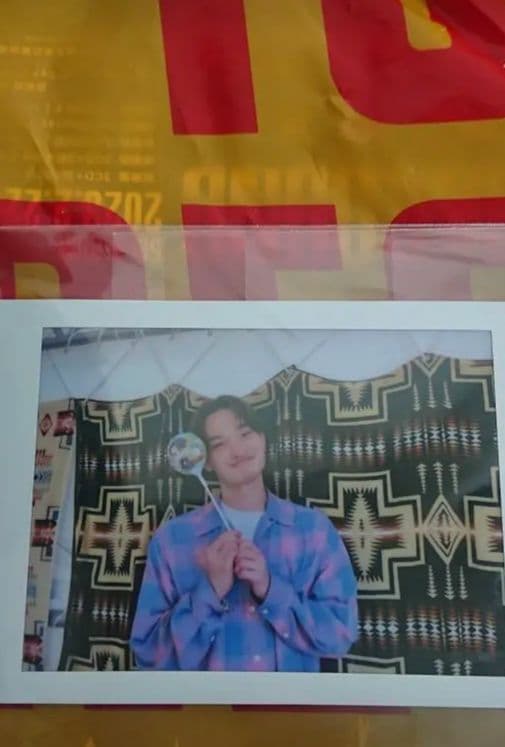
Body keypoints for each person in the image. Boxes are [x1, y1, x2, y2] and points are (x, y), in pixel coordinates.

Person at [130, 395, 358, 671]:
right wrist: (210, 591)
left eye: (245, 433)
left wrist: (270, 588)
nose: (237, 450)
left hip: (288, 701)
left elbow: (340, 636)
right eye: (219, 444)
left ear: (262, 438)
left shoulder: (314, 530)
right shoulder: (170, 541)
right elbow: (148, 654)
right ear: (206, 461)